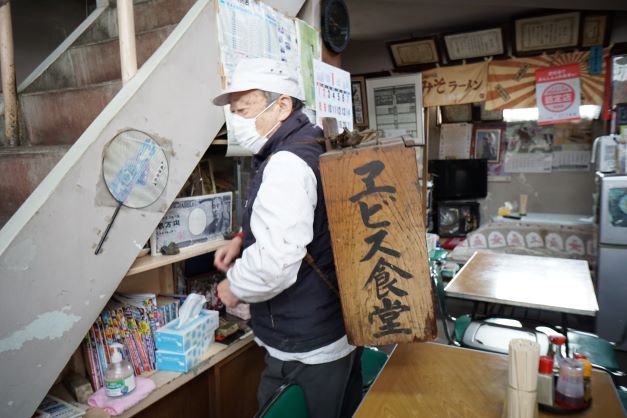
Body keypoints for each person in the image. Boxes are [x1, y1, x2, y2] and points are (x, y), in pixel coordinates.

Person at [211, 57, 362, 418]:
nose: (237, 120)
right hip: (330, 321)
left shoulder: (286, 164)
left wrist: (235, 286)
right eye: (233, 111)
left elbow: (275, 265)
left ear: (282, 105)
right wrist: (242, 238)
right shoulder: (310, 140)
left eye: (243, 108)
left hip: (305, 346)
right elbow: (303, 217)